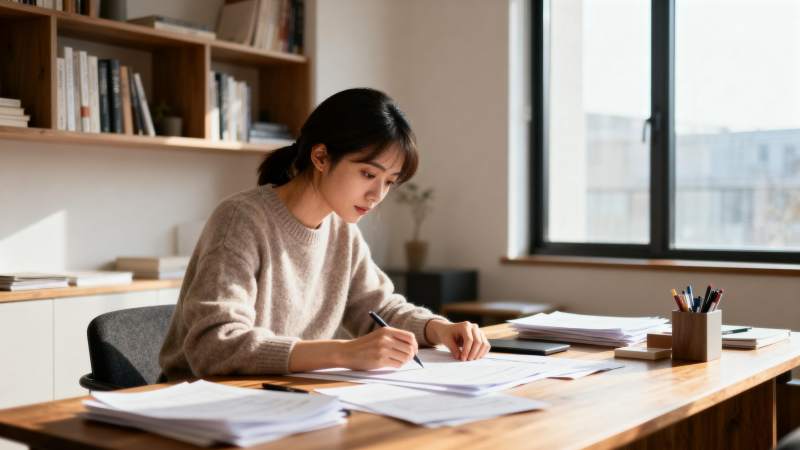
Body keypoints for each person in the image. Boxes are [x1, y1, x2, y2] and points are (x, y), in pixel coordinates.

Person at [159, 88, 490, 380]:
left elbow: (379, 309)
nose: (377, 194)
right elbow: (214, 346)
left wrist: (438, 329)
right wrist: (344, 353)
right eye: (367, 174)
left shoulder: (342, 231)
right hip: (200, 404)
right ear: (320, 157)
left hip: (282, 396)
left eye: (389, 181)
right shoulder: (241, 219)